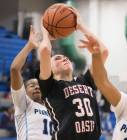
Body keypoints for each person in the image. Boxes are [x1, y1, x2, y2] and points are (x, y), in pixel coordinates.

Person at [37, 9, 108, 140]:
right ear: (50, 69)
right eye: (57, 58)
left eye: (66, 58)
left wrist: (80, 26)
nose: (64, 58)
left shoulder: (85, 80)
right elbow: (45, 50)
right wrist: (46, 32)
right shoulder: (50, 87)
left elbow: (103, 51)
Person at [10, 25, 53, 140]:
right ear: (24, 90)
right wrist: (30, 46)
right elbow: (15, 69)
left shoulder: (53, 109)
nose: (37, 87)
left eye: (39, 85)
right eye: (32, 85)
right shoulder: (23, 103)